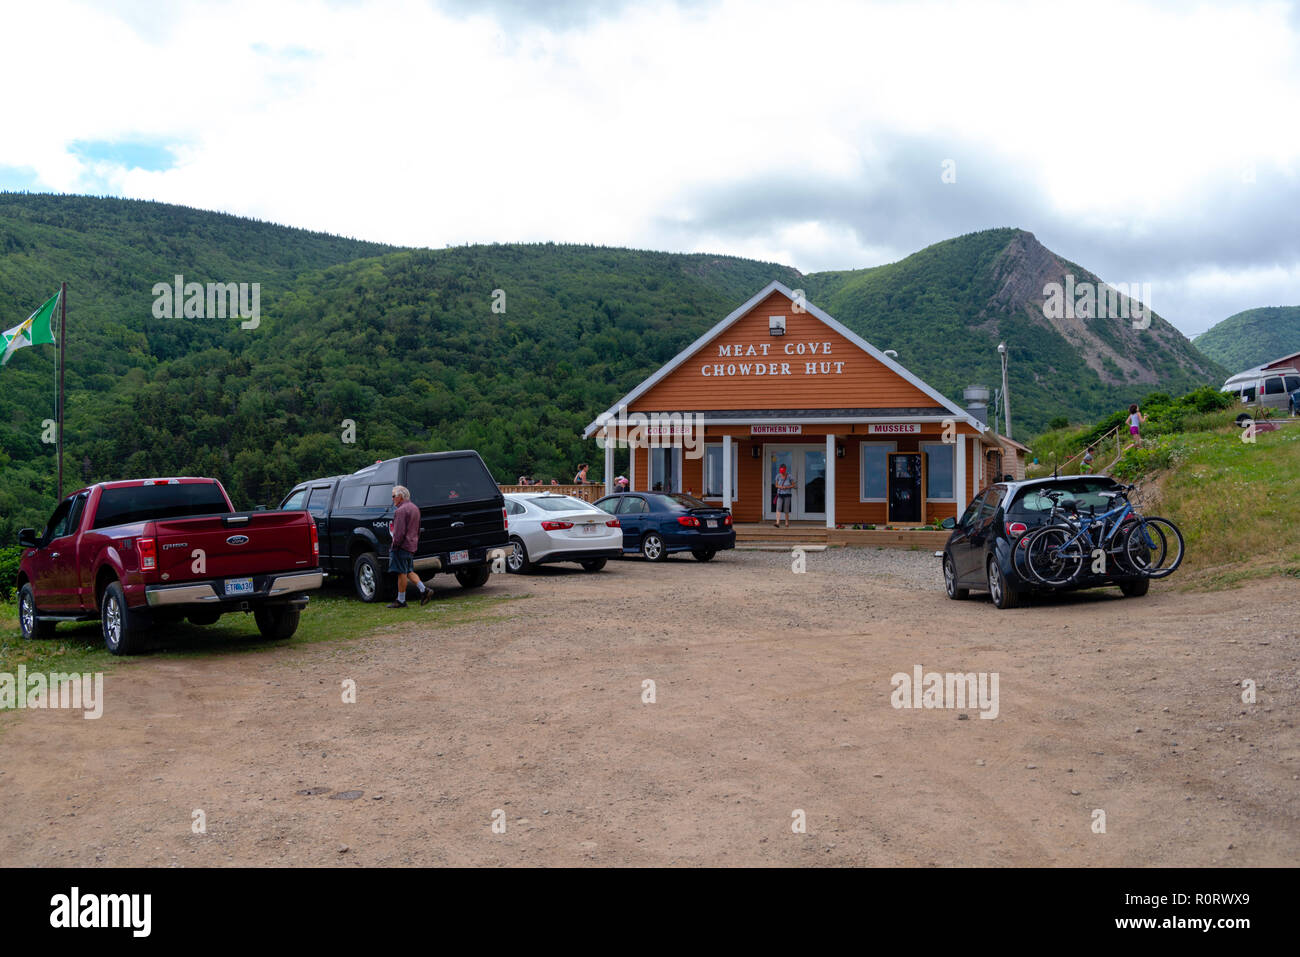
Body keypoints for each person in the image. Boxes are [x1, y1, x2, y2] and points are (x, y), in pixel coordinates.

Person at [387, 486, 432, 609]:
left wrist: (394, 545)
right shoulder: (414, 508)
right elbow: (417, 529)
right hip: (411, 544)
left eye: (393, 496)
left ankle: (401, 600)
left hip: (401, 546)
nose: (392, 499)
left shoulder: (400, 511)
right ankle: (424, 590)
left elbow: (399, 533)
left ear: (400, 496)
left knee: (401, 573)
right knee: (408, 571)